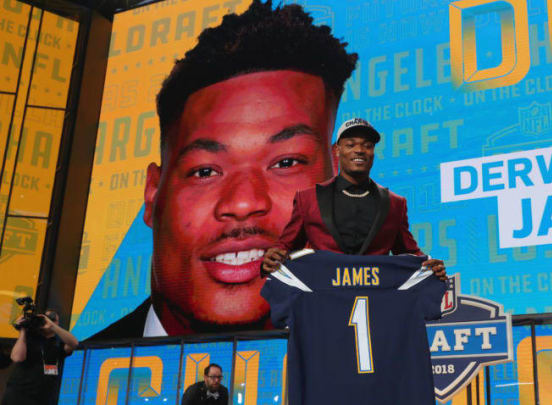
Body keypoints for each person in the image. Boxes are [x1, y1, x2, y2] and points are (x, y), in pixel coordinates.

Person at [90, 0, 357, 338]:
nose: (244, 203)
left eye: (286, 163)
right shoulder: (63, 381)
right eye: (205, 172)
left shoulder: (392, 367)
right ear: (152, 194)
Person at [262, 118, 447, 278]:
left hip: (376, 300)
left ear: (373, 153)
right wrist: (271, 258)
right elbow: (285, 245)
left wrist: (429, 266)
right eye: (351, 145)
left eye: (367, 146)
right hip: (322, 299)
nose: (359, 150)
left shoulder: (395, 203)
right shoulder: (308, 199)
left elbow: (409, 253)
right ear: (337, 150)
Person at [2, 310, 79, 405]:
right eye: (44, 319)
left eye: (52, 319)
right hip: (18, 395)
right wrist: (22, 331)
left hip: (42, 398)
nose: (46, 321)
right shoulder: (29, 339)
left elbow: (74, 343)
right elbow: (17, 358)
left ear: (57, 323)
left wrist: (52, 326)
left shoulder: (59, 344)